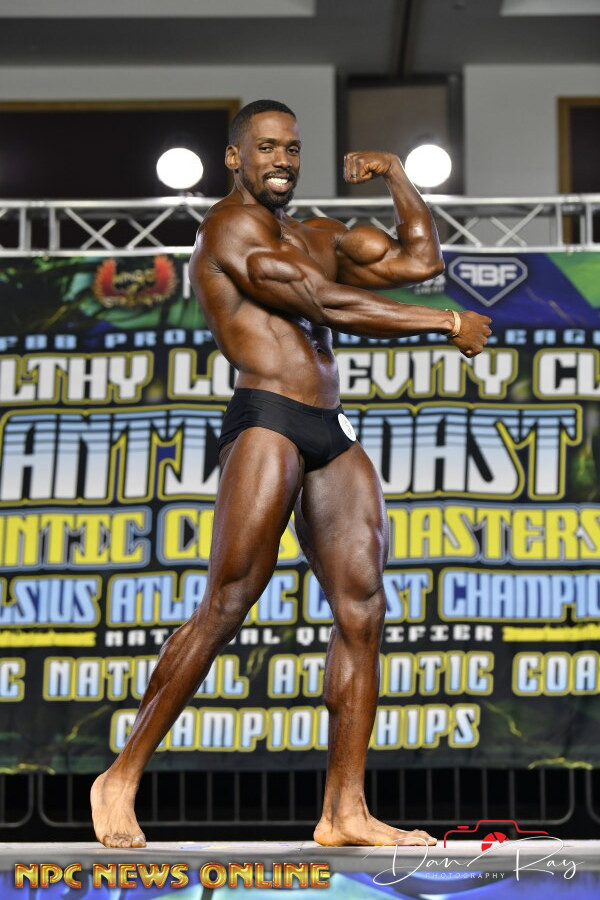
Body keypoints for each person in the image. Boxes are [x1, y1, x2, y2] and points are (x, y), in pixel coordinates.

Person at [91, 99, 491, 849]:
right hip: (268, 416)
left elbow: (420, 261)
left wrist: (397, 175)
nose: (282, 160)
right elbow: (321, 302)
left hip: (329, 428)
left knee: (363, 608)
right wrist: (443, 323)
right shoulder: (227, 229)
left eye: (293, 149)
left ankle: (344, 811)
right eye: (268, 147)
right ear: (236, 157)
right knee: (230, 599)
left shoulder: (319, 234)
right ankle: (120, 776)